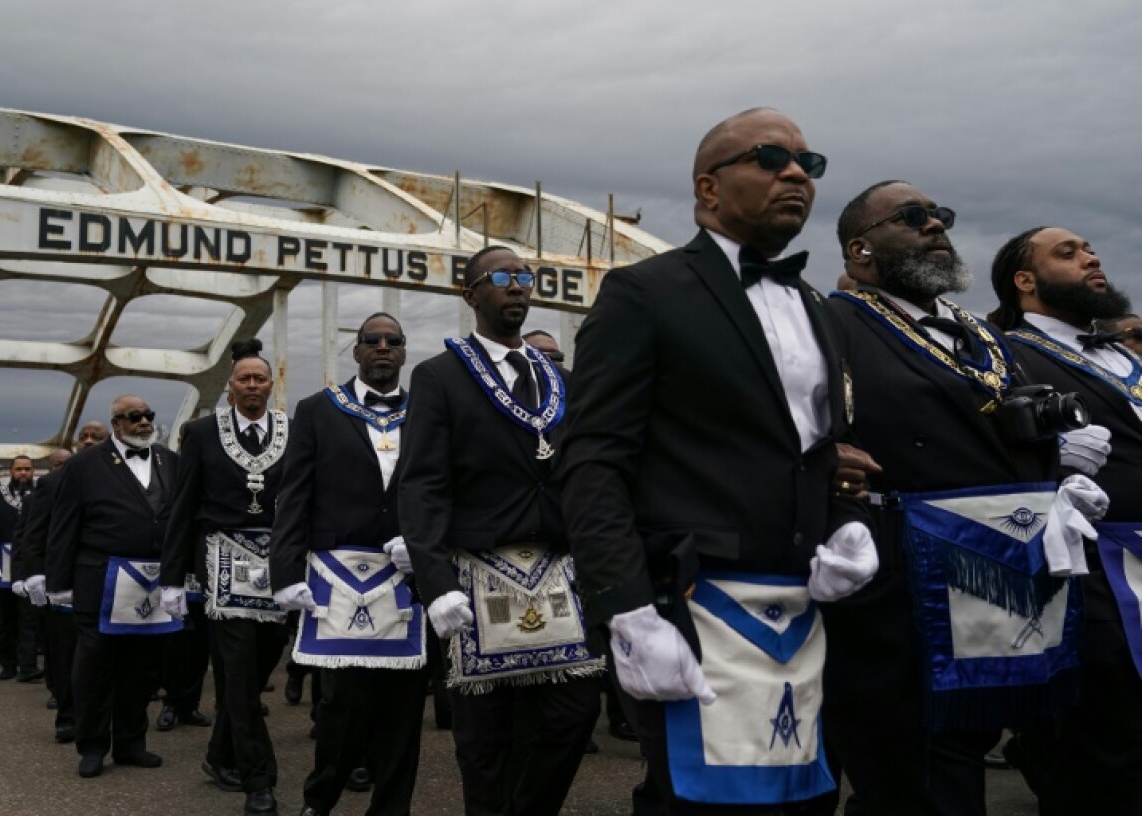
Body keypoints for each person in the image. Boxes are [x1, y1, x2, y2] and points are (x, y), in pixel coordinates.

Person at [561, 109, 876, 815]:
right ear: (707, 187)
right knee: (702, 804)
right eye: (769, 158)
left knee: (806, 801)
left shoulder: (818, 308)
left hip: (805, 614)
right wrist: (626, 611)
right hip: (692, 607)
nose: (796, 174)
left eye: (808, 164)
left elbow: (823, 449)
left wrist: (847, 522)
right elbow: (593, 462)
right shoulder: (644, 293)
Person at [824, 188, 1099, 816]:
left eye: (940, 216)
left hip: (1003, 583)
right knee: (918, 776)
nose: (934, 226)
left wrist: (1061, 465)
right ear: (860, 249)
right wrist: (823, 458)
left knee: (968, 754)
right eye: (912, 217)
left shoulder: (981, 332)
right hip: (903, 591)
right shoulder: (833, 323)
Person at [402, 249, 603, 816]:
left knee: (572, 714)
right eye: (501, 277)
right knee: (486, 740)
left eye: (524, 277)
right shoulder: (440, 376)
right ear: (470, 295)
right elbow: (421, 484)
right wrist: (435, 582)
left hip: (556, 570)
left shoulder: (558, 379)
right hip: (478, 573)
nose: (516, 286)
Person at [987, 226, 1142, 815]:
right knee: (1107, 741)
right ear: (1025, 281)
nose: (1090, 258)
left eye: (1090, 249)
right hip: (1090, 569)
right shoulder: (1006, 352)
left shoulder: (1119, 352)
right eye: (1068, 253)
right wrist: (1052, 458)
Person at [270, 313, 426, 816]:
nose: (382, 347)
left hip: (408, 576)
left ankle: (392, 808)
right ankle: (320, 801)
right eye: (371, 340)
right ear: (355, 351)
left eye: (393, 340)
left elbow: (444, 489)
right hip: (335, 576)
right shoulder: (317, 410)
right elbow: (294, 495)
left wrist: (426, 543)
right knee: (340, 705)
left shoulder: (427, 411)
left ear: (404, 352)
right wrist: (285, 572)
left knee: (404, 709)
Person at [161, 339, 290, 816]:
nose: (252, 385)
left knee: (258, 668)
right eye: (244, 379)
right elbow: (183, 505)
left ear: (271, 385)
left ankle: (219, 755)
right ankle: (260, 780)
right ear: (230, 387)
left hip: (278, 563)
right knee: (236, 672)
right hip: (221, 561)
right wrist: (173, 577)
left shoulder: (294, 431)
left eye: (260, 379)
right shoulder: (200, 433)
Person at [47, 395, 180, 778]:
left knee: (141, 669)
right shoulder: (84, 464)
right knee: (94, 668)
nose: (144, 422)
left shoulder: (170, 461)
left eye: (148, 415)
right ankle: (91, 746)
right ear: (116, 423)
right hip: (98, 578)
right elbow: (64, 524)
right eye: (134, 417)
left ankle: (131, 743)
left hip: (151, 581)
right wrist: (58, 581)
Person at [15, 447, 75, 742]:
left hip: (95, 575)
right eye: (58, 464)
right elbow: (28, 536)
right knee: (58, 647)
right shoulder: (44, 491)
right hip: (55, 578)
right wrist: (28, 574)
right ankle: (65, 707)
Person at [0, 455, 38, 681]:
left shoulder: (40, 494)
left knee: (29, 617)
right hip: (3, 563)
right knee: (5, 617)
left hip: (31, 562)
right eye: (19, 469)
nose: (23, 473)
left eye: (27, 469)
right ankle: (8, 664)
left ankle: (28, 666)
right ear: (11, 471)